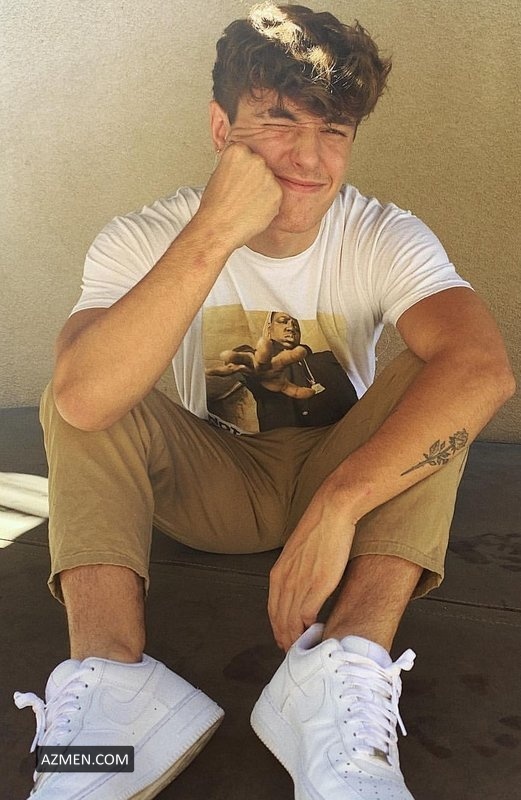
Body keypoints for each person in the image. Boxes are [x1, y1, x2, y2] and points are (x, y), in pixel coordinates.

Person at [15, 4, 515, 800]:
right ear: (222, 129)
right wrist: (214, 231)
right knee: (83, 386)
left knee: (439, 380)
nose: (308, 158)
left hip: (340, 474)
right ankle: (114, 690)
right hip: (213, 479)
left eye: (333, 130)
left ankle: (342, 678)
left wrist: (340, 504)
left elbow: (484, 371)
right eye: (279, 122)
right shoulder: (143, 235)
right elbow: (81, 399)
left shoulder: (382, 233)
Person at [205, 310, 359, 430]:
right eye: (283, 321)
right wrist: (252, 366)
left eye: (295, 325)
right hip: (287, 444)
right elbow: (248, 361)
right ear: (269, 329)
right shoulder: (265, 361)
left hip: (341, 435)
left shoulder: (327, 358)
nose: (291, 327)